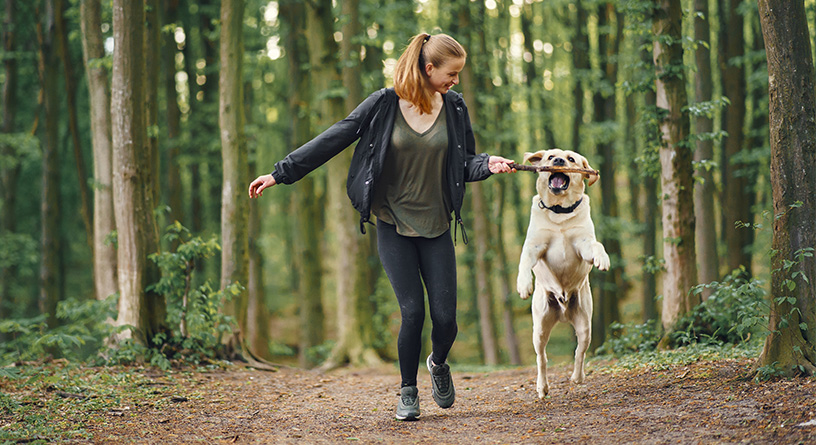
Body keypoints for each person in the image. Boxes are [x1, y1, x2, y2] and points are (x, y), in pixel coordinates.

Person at [248, 32, 515, 421]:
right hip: (392, 222)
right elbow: (334, 137)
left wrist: (488, 164)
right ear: (429, 68)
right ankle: (407, 391)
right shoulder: (384, 104)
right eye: (452, 73)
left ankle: (438, 363)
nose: (456, 81)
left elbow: (464, 162)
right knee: (412, 312)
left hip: (436, 224)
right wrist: (280, 173)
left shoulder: (454, 107)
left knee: (445, 319)